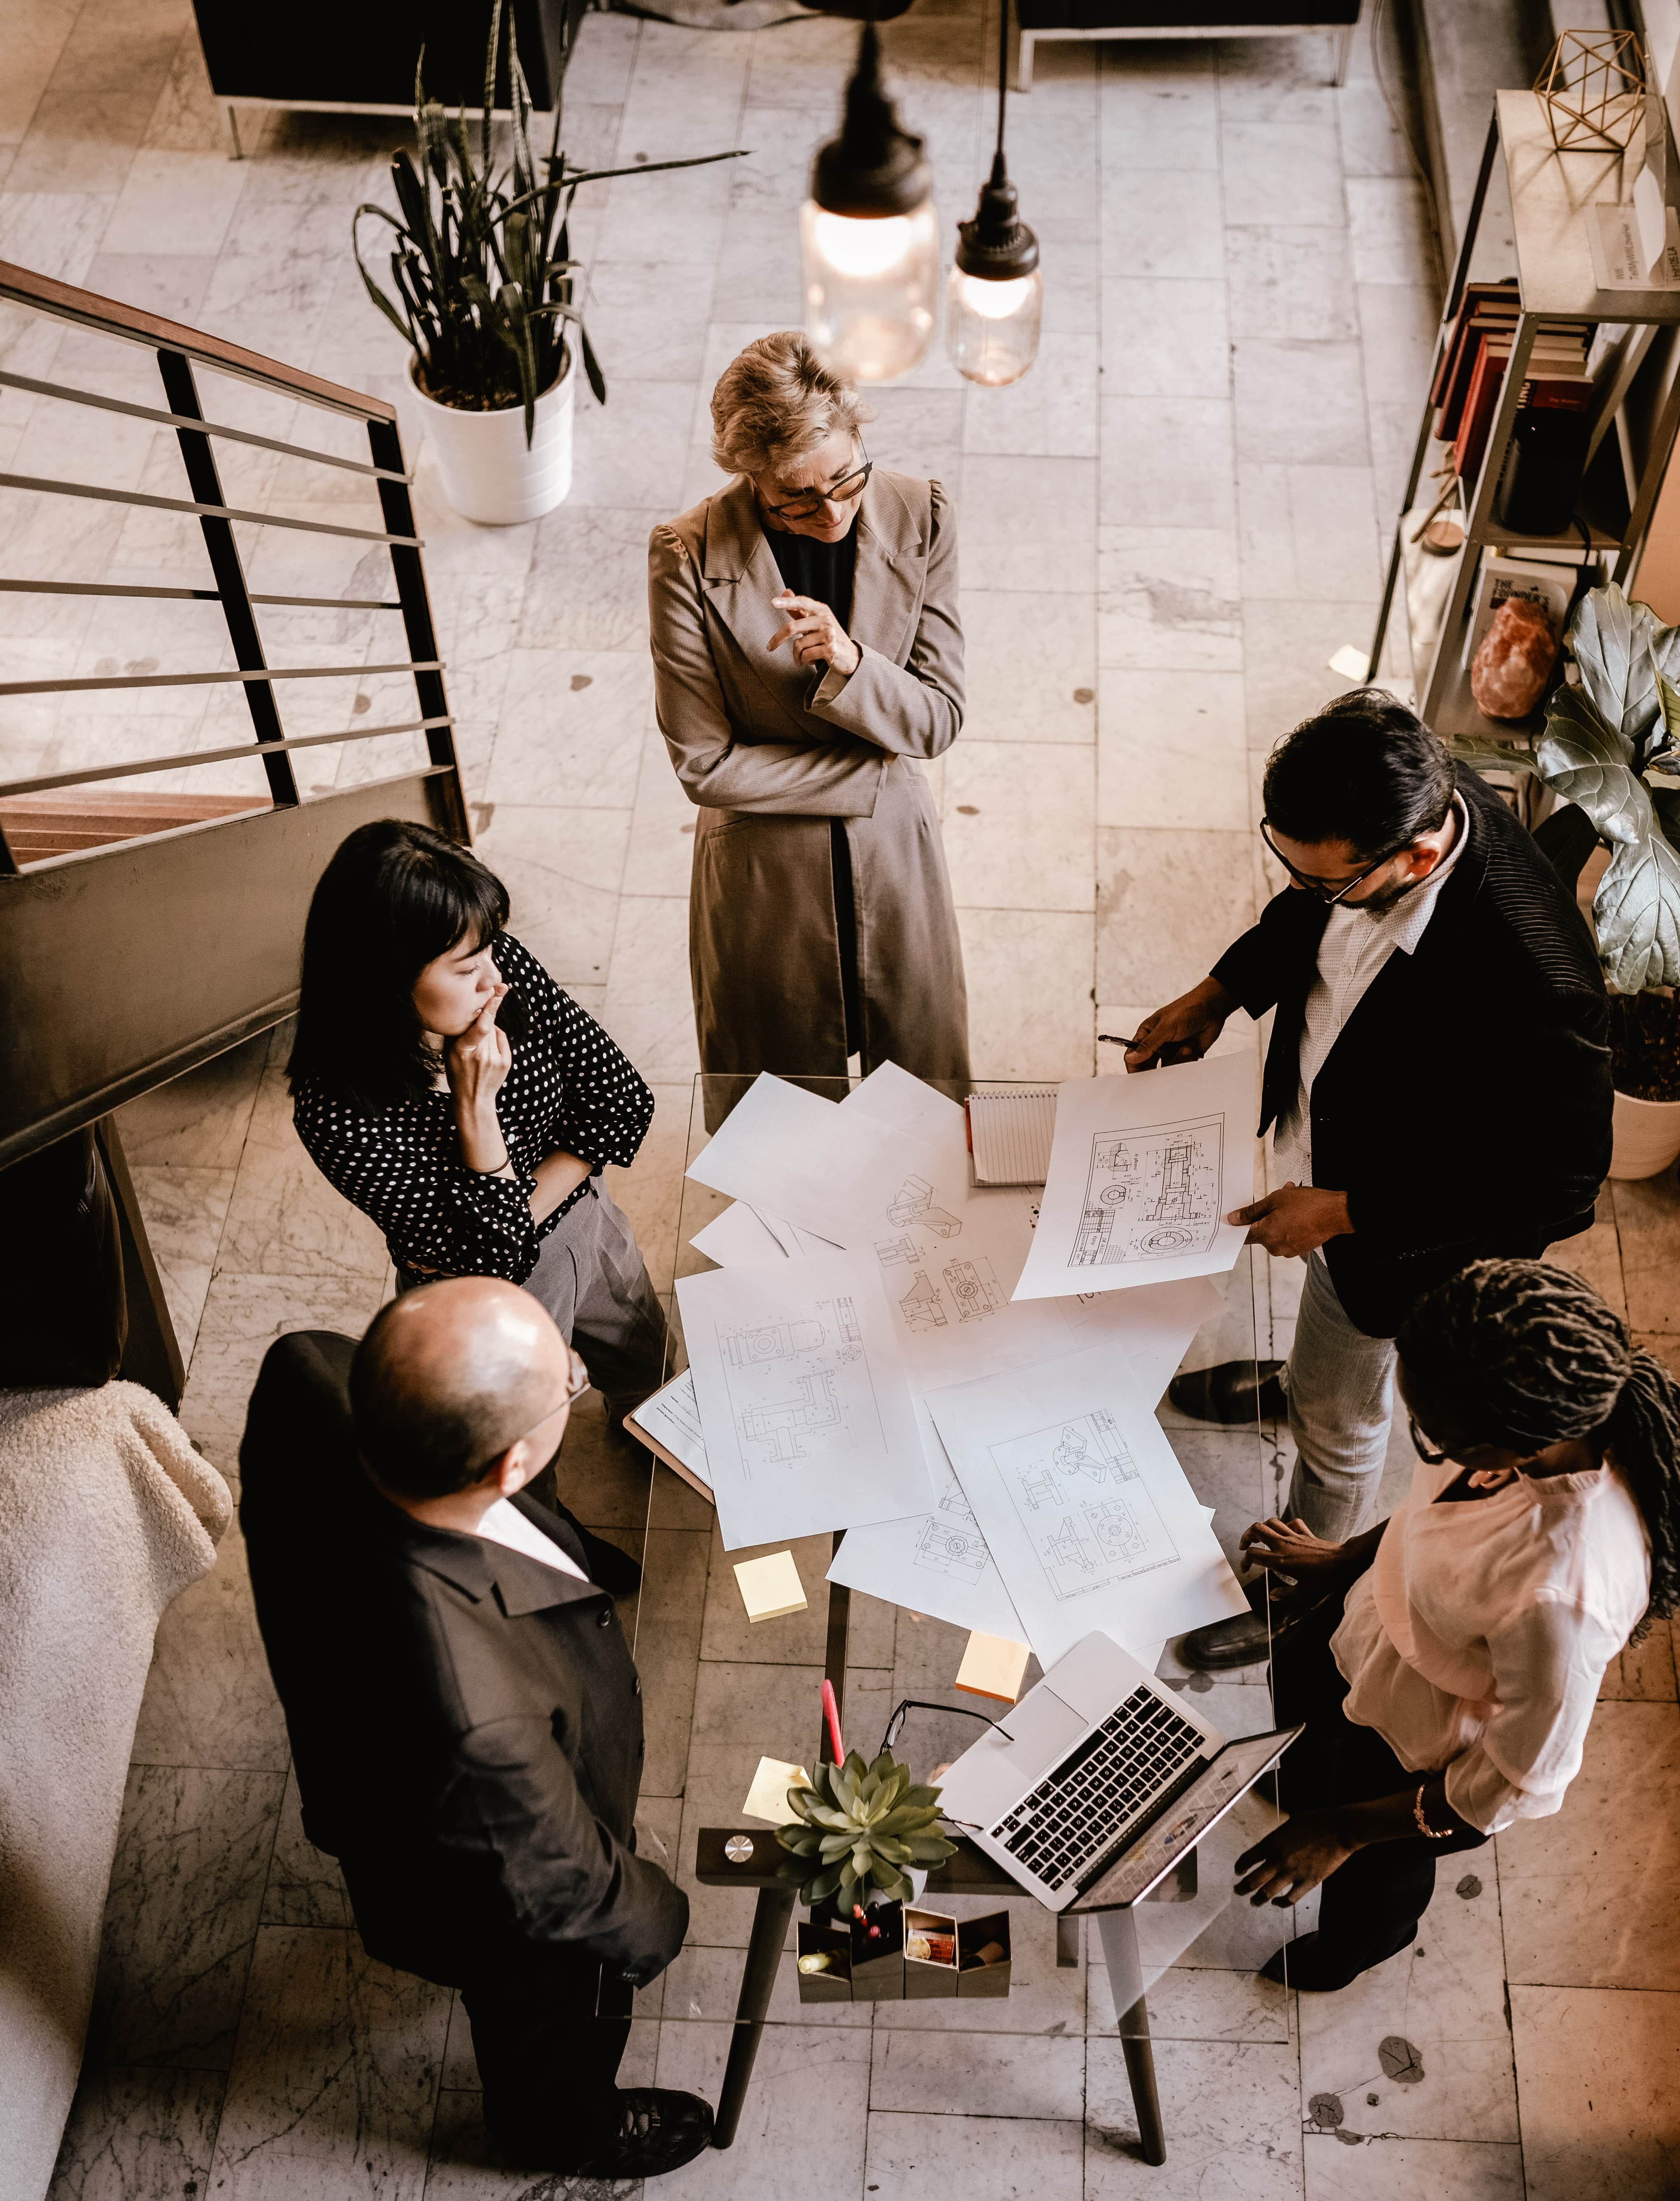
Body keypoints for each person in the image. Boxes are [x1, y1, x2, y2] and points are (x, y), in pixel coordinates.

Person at [1128, 692, 1612, 1616]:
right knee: (1323, 1343)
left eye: (1328, 880)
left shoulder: (1539, 983)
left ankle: (1305, 1574)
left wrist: (1350, 1210)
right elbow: (1309, 917)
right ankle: (1295, 1378)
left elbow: (1560, 1185)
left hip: (1401, 1238)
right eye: (1291, 864)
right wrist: (1220, 992)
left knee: (1340, 1415)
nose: (1308, 890)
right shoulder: (1416, 791)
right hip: (1337, 1149)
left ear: (1419, 857)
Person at [238, 1280, 712, 2178]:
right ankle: (564, 2130)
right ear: (507, 1469)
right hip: (494, 1897)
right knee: (549, 2014)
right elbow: (561, 1886)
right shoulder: (474, 1712)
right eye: (569, 1381)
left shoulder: (308, 1367)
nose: (577, 1374)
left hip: (385, 1747)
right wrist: (657, 1920)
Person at [1231, 1258, 1680, 1991]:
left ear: (1517, 1443)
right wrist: (1346, 1561)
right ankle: (1308, 1790)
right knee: (1302, 1721)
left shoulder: (1561, 1595)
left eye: (1435, 1437)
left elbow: (1503, 1787)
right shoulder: (1495, 1391)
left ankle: (1349, 1952)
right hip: (1369, 1621)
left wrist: (1345, 1830)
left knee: (1373, 1877)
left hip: (1415, 1734)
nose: (1423, 1444)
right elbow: (1427, 1509)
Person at [288, 820, 666, 1497]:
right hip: (474, 1302)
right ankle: (565, 1550)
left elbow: (621, 1100)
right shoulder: (338, 1114)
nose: (495, 979)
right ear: (382, 981)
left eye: (489, 950)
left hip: (585, 1221)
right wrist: (476, 1111)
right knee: (519, 1459)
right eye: (466, 968)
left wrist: (528, 1209)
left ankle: (653, 1433)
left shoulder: (501, 969)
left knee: (644, 1352)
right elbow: (491, 1268)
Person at [648, 330, 969, 1095]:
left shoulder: (920, 512)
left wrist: (855, 665)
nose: (830, 511)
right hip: (764, 877)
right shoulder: (686, 554)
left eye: (845, 478)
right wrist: (867, 777)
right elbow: (704, 763)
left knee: (922, 1093)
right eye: (795, 496)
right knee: (782, 1109)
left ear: (859, 436)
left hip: (894, 857)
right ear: (752, 479)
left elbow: (937, 719)